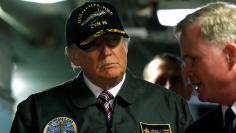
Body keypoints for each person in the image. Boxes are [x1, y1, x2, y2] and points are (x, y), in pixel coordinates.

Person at [10, 2, 193, 133]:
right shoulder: (37, 111)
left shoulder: (170, 106)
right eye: (94, 44)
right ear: (73, 55)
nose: (106, 52)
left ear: (125, 46)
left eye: (113, 41)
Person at [175, 1, 236, 133]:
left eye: (194, 59)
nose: (185, 73)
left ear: (230, 55)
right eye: (185, 62)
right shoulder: (197, 131)